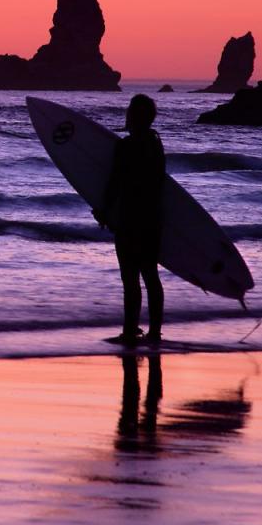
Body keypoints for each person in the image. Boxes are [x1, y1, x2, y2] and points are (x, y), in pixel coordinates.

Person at [96, 93, 165, 345]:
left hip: (130, 219)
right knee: (150, 275)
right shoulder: (156, 144)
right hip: (152, 218)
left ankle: (130, 329)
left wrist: (104, 209)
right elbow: (158, 184)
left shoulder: (126, 146)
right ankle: (155, 331)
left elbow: (116, 181)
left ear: (132, 115)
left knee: (130, 278)